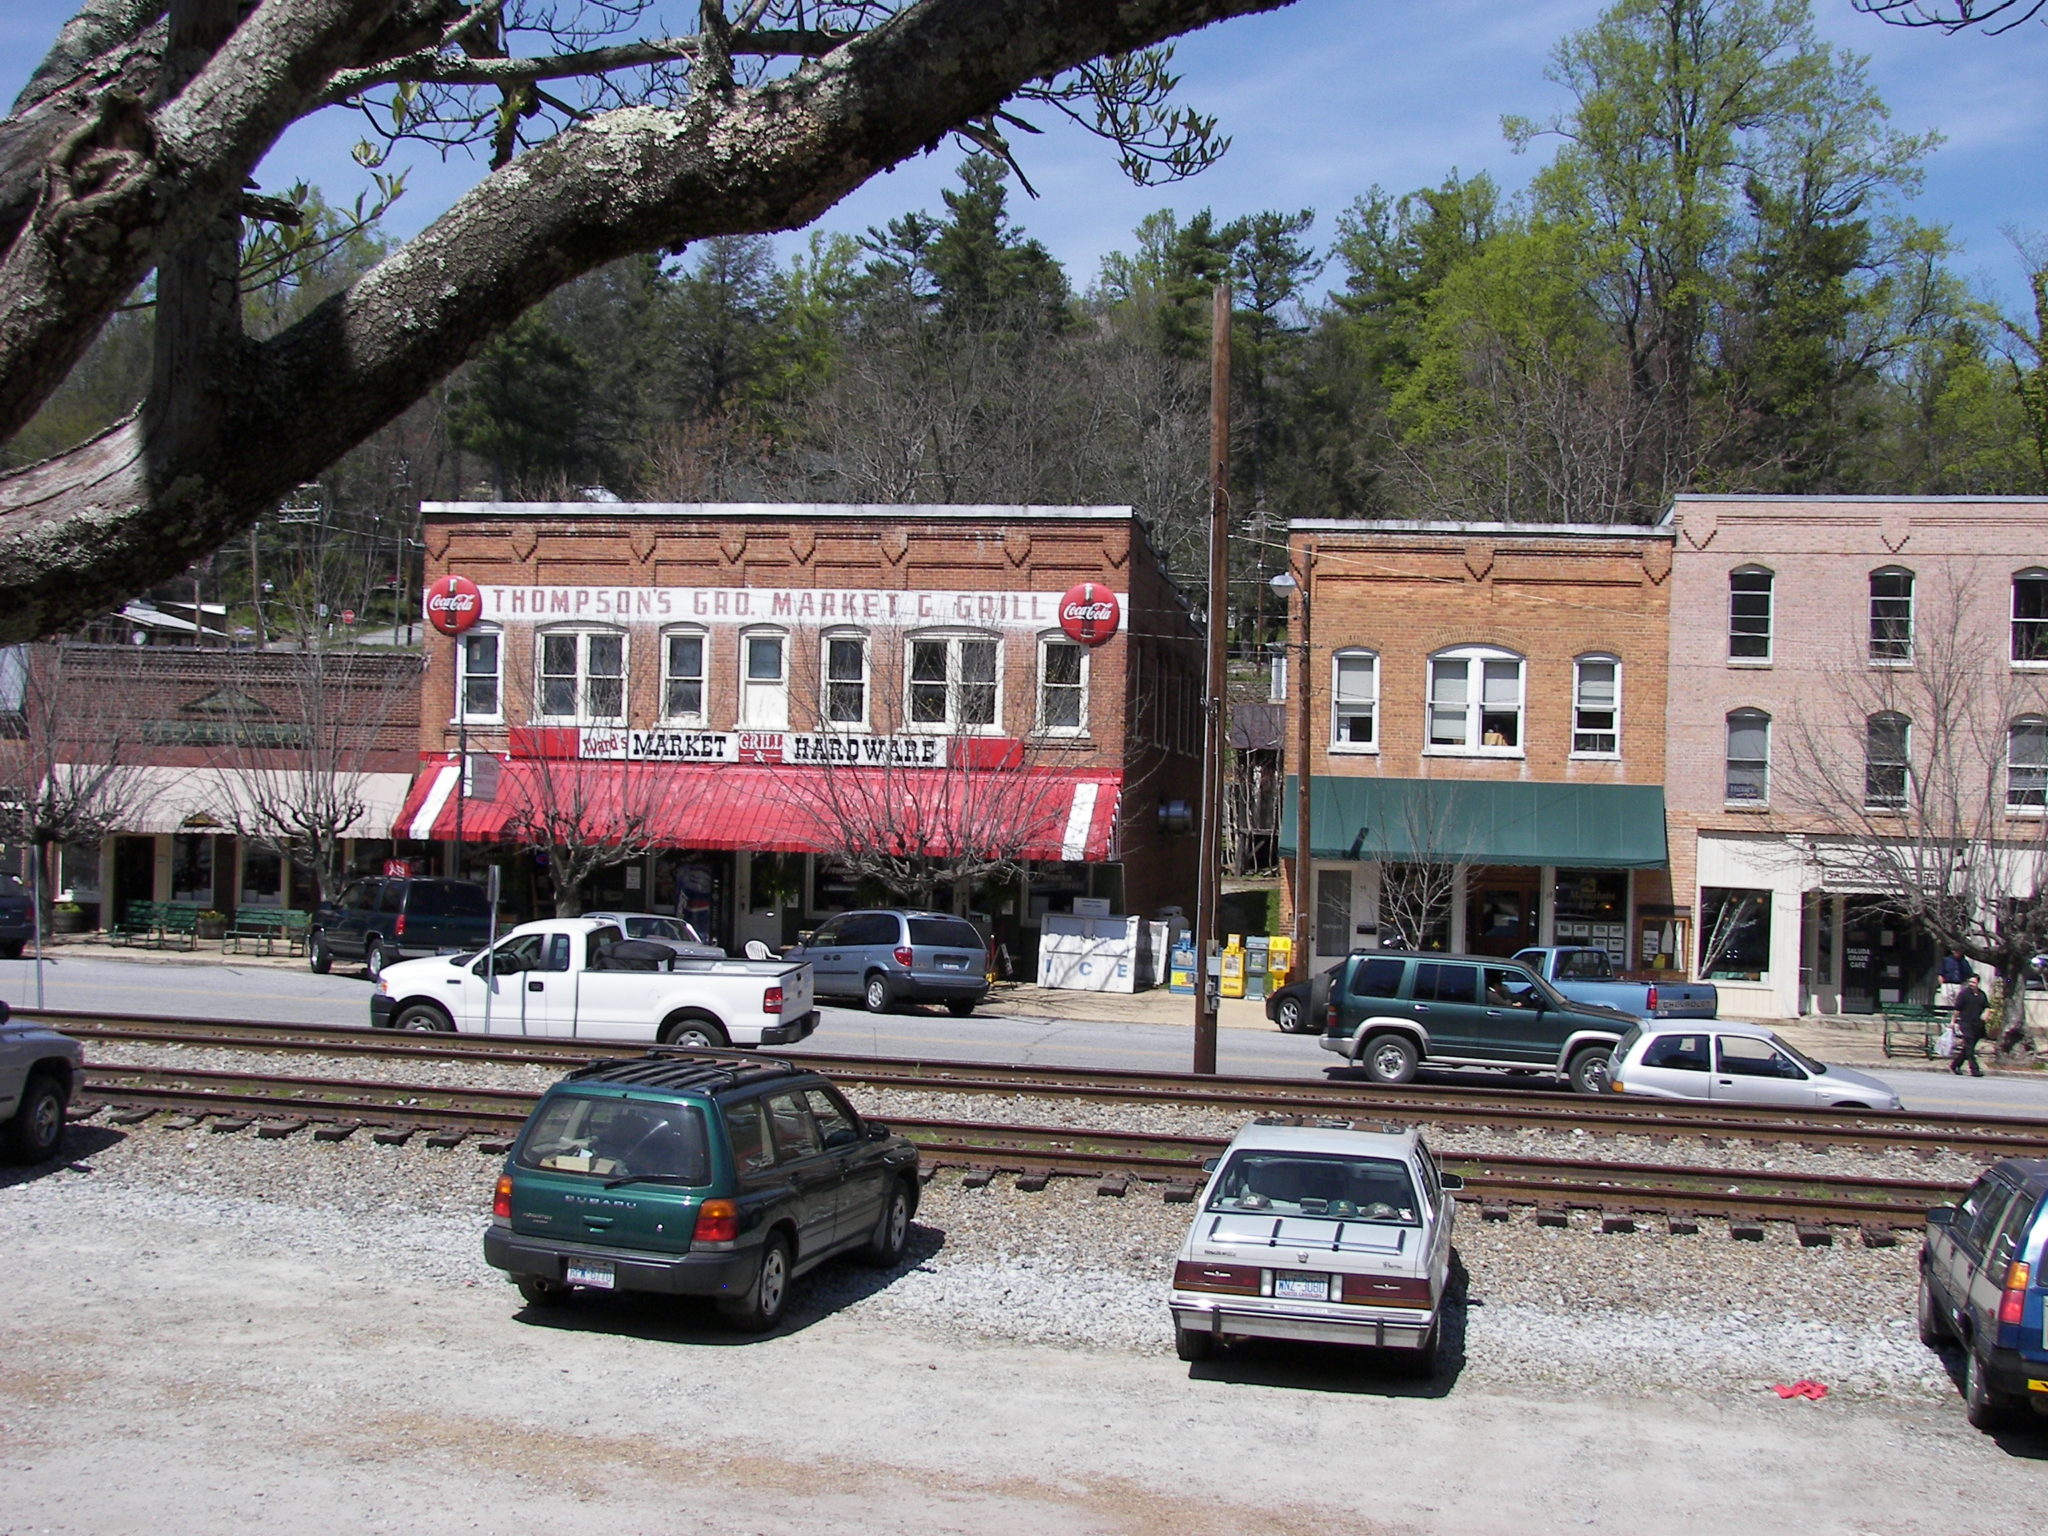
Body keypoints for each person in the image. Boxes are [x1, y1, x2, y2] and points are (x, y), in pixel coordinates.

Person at [1951, 973, 1989, 1078]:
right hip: (1965, 1023)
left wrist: (1986, 1014)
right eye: (1970, 982)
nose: (1971, 984)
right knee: (1970, 1047)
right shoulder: (1964, 994)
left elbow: (1987, 1007)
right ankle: (1974, 1069)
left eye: (1973, 982)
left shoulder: (1982, 995)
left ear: (1978, 983)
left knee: (1968, 1047)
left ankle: (1955, 1065)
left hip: (1978, 1025)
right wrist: (1952, 1022)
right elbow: (1957, 1009)